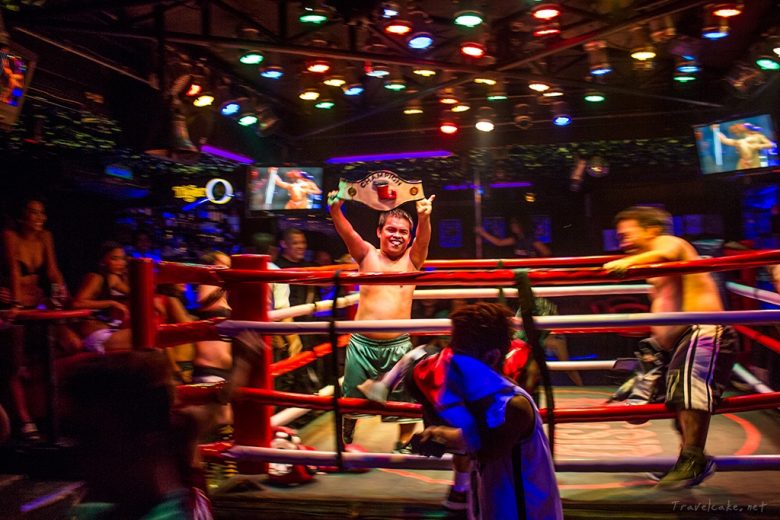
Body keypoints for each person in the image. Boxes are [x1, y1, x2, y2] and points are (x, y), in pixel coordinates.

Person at [603, 206, 737, 489]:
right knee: (677, 400)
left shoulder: (670, 243)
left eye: (626, 235)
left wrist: (627, 264)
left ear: (651, 229)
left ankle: (693, 458)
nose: (622, 243)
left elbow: (669, 252)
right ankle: (686, 459)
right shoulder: (653, 264)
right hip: (679, 341)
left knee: (689, 391)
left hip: (704, 331)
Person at [410, 302, 562, 520]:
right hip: (490, 506)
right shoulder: (483, 395)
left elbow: (486, 448)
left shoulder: (514, 404)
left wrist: (446, 426)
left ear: (490, 357)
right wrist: (438, 434)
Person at [328, 190, 435, 451]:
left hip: (398, 346)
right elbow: (348, 233)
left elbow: (423, 239)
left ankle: (404, 444)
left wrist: (423, 218)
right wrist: (335, 210)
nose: (397, 235)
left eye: (403, 232)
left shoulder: (412, 260)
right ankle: (344, 445)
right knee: (351, 402)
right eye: (391, 229)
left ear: (409, 237)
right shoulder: (366, 255)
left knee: (404, 404)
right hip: (362, 344)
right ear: (379, 232)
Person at [1, 197, 72, 441]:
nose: (40, 218)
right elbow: (12, 269)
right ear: (22, 217)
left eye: (42, 213)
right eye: (34, 213)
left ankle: (53, 412)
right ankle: (25, 420)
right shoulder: (10, 236)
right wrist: (15, 305)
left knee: (69, 342)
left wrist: (60, 290)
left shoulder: (45, 237)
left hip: (35, 305)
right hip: (12, 306)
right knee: (14, 363)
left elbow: (51, 269)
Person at [475, 216, 551, 258]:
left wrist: (535, 262)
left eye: (515, 223)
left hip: (530, 271)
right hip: (519, 270)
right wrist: (483, 233)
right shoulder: (516, 239)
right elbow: (499, 242)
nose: (512, 226)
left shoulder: (532, 239)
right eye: (512, 224)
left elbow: (547, 253)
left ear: (522, 225)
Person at [711, 122, 776, 170]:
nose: (741, 126)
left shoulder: (759, 136)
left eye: (742, 125)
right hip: (743, 165)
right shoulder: (739, 141)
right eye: (740, 125)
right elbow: (724, 140)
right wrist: (715, 130)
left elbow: (771, 145)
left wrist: (756, 146)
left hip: (756, 163)